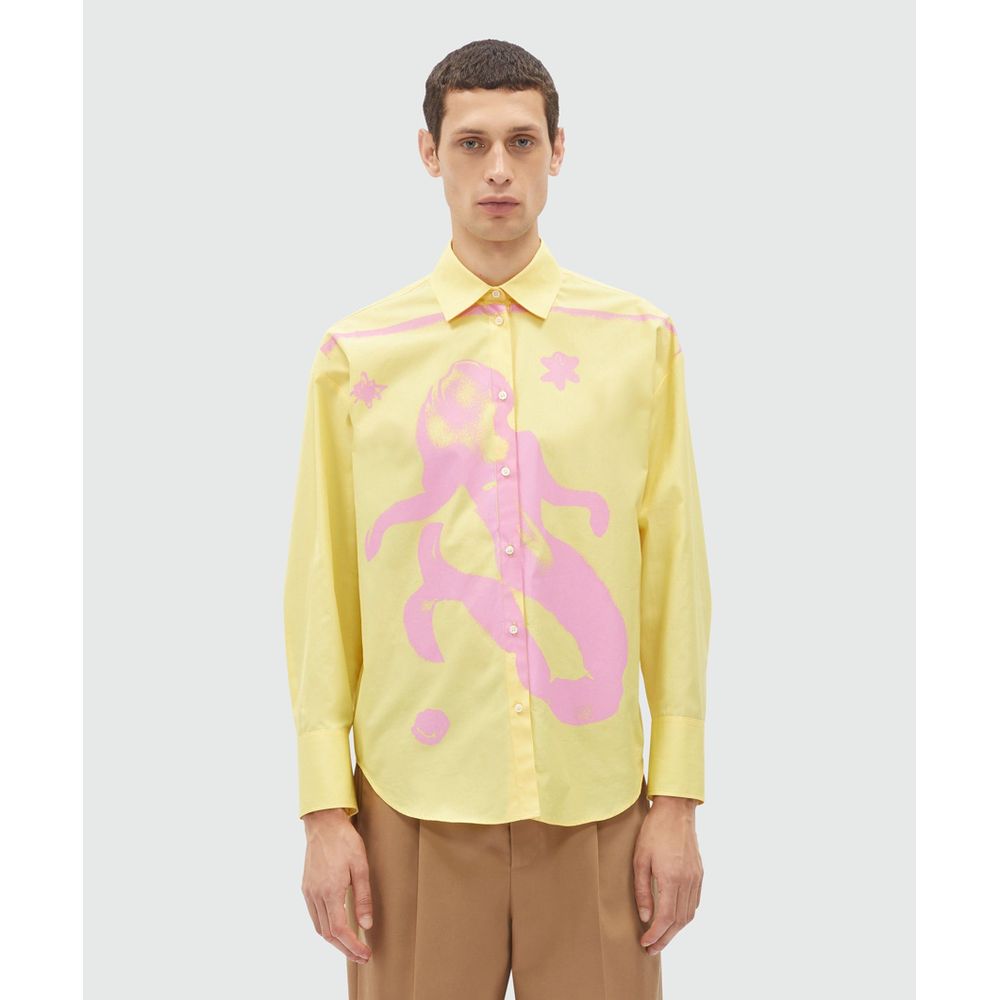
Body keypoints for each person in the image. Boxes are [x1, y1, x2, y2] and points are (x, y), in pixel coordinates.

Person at [283, 38, 712, 1000]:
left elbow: (674, 574)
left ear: (559, 150)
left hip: (598, 805)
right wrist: (324, 811)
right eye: (471, 143)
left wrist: (678, 798)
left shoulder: (639, 343)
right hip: (409, 806)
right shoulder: (358, 355)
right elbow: (324, 588)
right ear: (428, 153)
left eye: (521, 141)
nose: (498, 170)